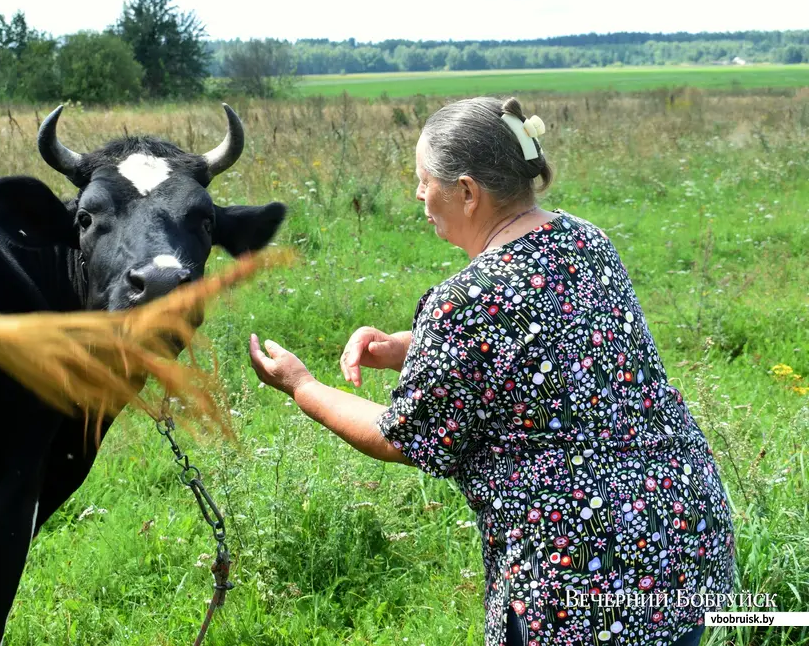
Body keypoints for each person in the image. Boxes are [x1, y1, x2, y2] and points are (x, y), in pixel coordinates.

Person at [248, 96, 736, 646]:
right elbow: (544, 347)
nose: (417, 195)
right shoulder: (585, 240)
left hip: (583, 576)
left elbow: (401, 438)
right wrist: (404, 347)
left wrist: (302, 386)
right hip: (686, 541)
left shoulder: (466, 301)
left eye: (423, 179)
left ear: (467, 192)